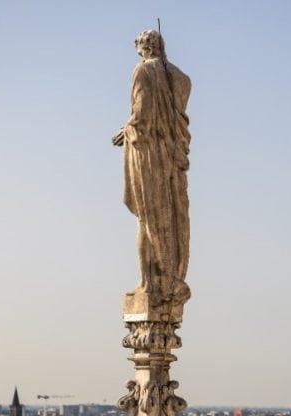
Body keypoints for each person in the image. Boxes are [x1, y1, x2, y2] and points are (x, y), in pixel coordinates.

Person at [113, 31, 191, 301]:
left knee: (148, 220)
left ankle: (150, 283)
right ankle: (170, 276)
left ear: (141, 48)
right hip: (173, 159)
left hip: (149, 155)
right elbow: (177, 120)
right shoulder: (181, 79)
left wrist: (126, 130)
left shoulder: (143, 72)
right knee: (171, 217)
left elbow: (142, 116)